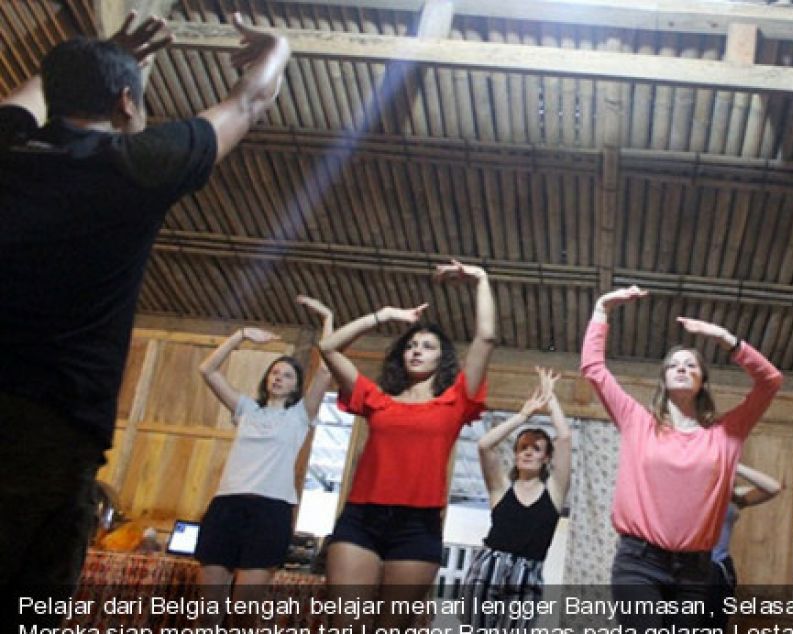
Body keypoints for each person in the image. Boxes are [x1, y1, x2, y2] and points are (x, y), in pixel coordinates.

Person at [0, 10, 290, 611]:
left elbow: (25, 101)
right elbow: (253, 98)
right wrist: (280, 44)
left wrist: (95, 55)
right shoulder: (133, 167)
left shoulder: (8, 149)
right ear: (128, 104)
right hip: (48, 438)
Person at [580, 285, 783, 631]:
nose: (682, 368)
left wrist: (725, 339)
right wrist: (602, 309)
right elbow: (594, 369)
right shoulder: (637, 421)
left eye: (691, 365)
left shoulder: (725, 433)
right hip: (639, 562)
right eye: (673, 365)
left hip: (695, 571)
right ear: (663, 378)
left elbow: (770, 382)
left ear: (703, 380)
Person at [317, 260, 497, 631]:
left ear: (441, 357)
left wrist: (481, 279)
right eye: (411, 345)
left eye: (427, 346)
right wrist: (383, 315)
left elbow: (487, 338)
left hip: (418, 525)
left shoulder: (456, 399)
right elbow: (329, 348)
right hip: (361, 519)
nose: (416, 350)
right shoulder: (377, 398)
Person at [192, 297, 332, 624]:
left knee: (243, 616)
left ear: (297, 385)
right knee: (208, 614)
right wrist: (240, 335)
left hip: (271, 512)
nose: (278, 378)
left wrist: (327, 317)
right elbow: (207, 369)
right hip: (227, 506)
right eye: (274, 373)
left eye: (286, 375)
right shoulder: (245, 409)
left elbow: (326, 369)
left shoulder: (300, 416)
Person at [462, 367, 571, 631]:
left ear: (546, 458)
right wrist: (523, 415)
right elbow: (484, 446)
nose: (528, 452)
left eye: (536, 448)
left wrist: (550, 397)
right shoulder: (501, 488)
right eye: (523, 447)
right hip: (489, 570)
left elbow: (565, 438)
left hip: (528, 576)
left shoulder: (553, 492)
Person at [704, 463, 784, 631]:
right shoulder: (691, 489)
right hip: (690, 567)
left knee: (715, 624)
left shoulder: (733, 496)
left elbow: (774, 487)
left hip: (719, 569)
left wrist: (734, 464)